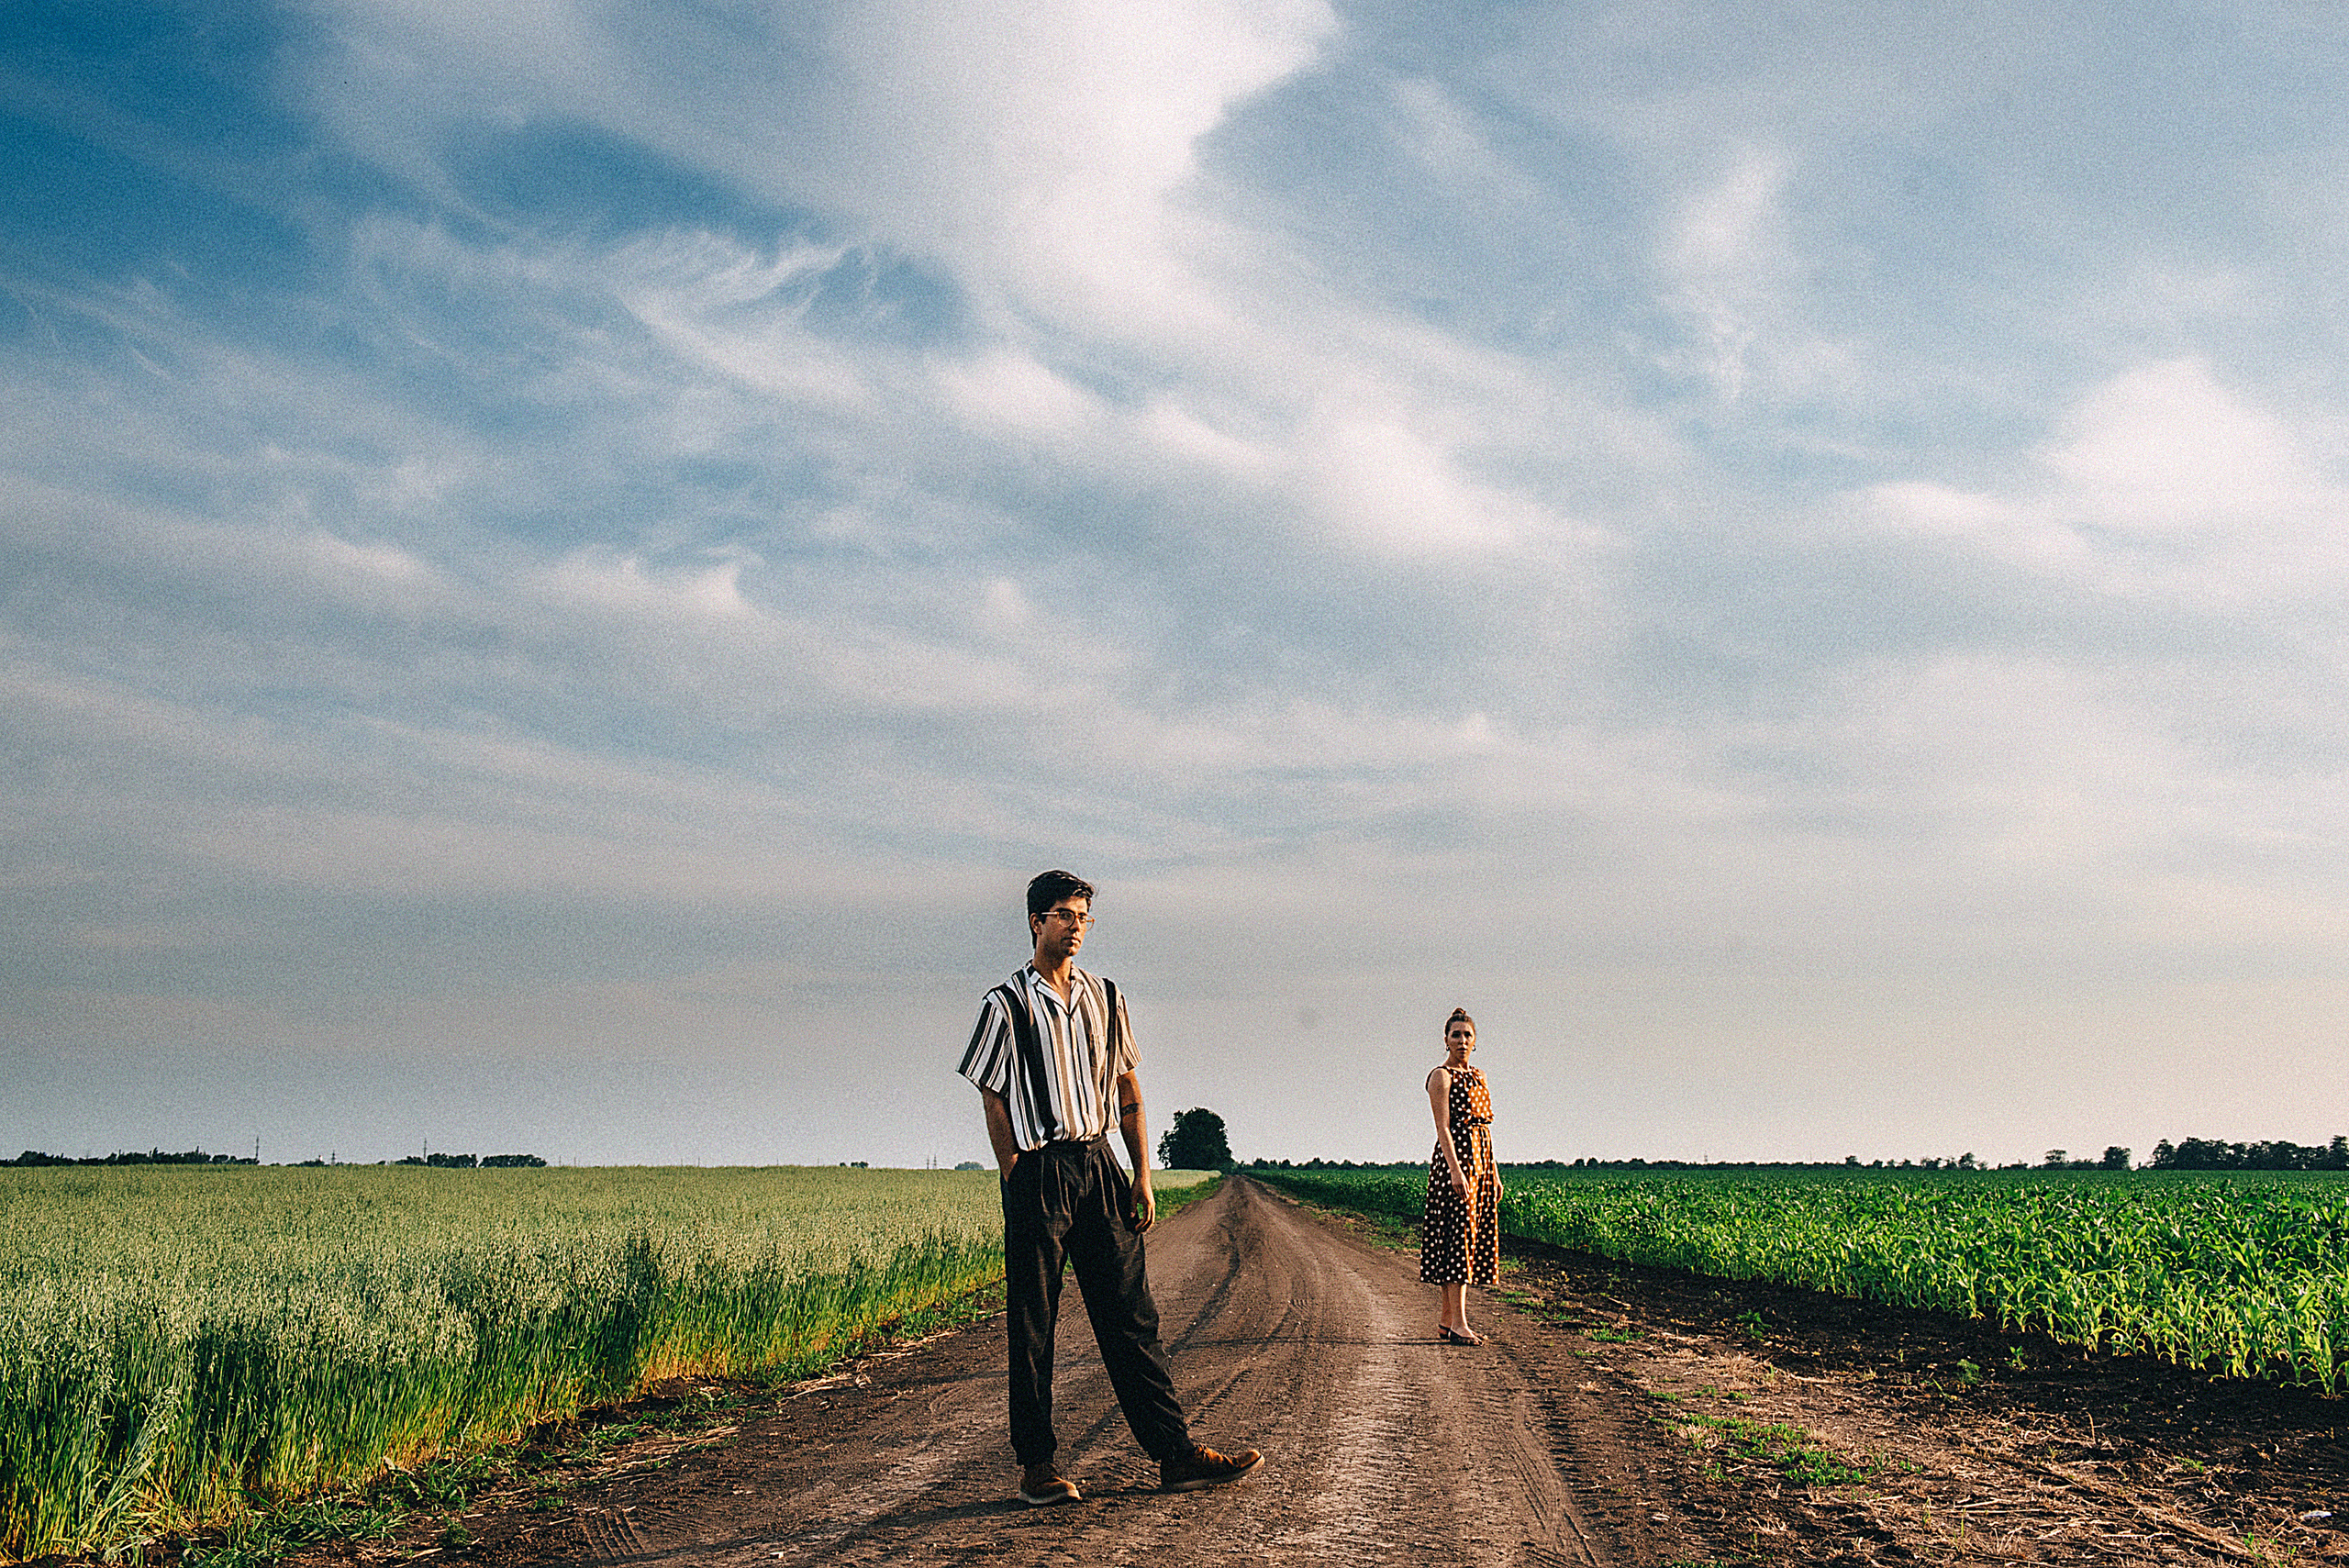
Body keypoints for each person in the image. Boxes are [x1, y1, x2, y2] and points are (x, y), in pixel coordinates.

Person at [958, 869, 1264, 1507]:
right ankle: (1038, 1465)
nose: (1075, 927)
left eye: (1083, 917)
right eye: (1064, 915)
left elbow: (1128, 1091)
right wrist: (1015, 1170)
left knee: (1131, 1316)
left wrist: (1143, 1174)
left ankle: (1175, 1453)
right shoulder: (1005, 1003)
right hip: (1040, 1170)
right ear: (1036, 921)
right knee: (1033, 1320)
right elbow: (992, 1095)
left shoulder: (1107, 995)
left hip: (1101, 1166)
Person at [1421, 1006, 1501, 1344]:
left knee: (1466, 1241)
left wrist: (1493, 1173)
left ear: (1475, 1041)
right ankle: (1460, 1324)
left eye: (1468, 1035)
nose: (1462, 1040)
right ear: (1446, 1039)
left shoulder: (1479, 1076)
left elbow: (1485, 1128)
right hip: (1456, 1166)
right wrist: (1456, 1170)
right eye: (1456, 1035)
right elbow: (1443, 1128)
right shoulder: (1442, 1076)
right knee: (1456, 1242)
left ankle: (1446, 1320)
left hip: (1481, 1166)